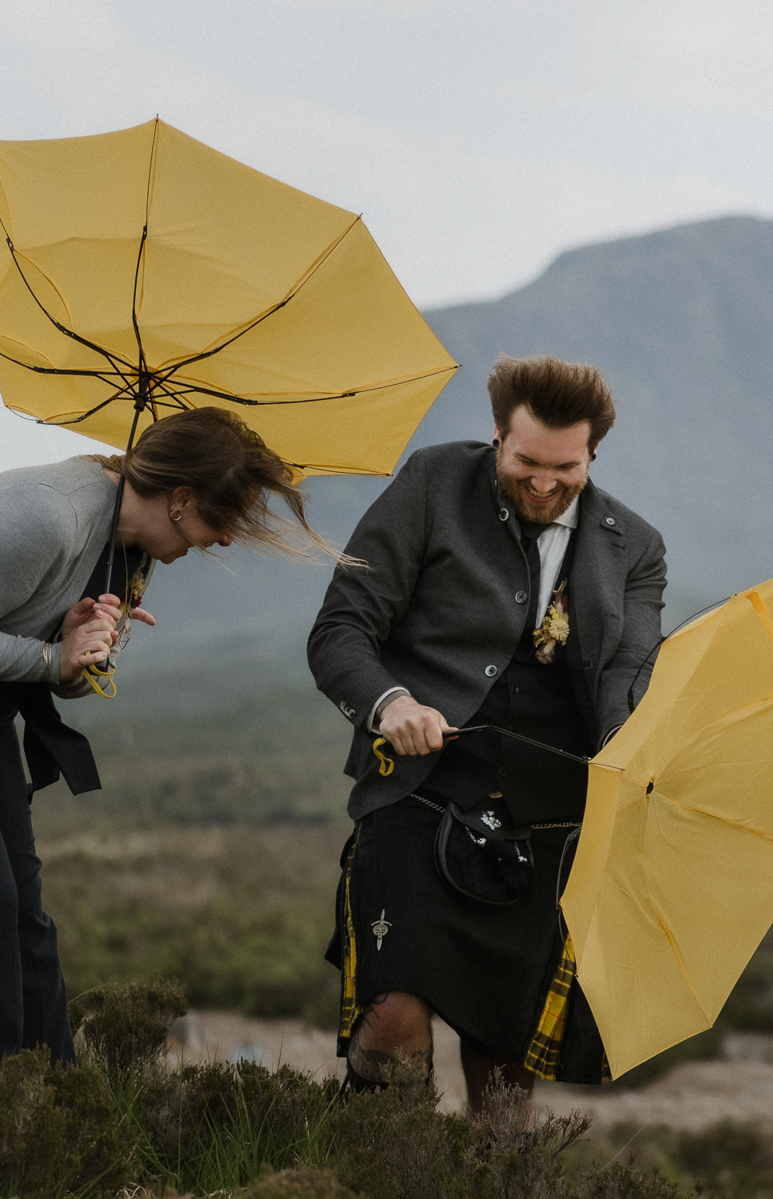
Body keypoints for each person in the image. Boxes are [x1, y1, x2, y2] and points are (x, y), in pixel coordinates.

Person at [309, 354, 666, 1111]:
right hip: (418, 793)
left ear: (593, 454)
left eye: (564, 468)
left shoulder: (635, 546)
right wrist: (391, 703)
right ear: (497, 437)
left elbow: (624, 676)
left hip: (548, 825)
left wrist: (630, 754)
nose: (543, 483)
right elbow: (341, 629)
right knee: (393, 1017)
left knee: (505, 1080)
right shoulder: (433, 484)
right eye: (526, 462)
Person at [0, 406, 323, 1058]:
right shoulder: (47, 515)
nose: (227, 540)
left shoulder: (123, 551)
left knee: (26, 919)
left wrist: (77, 651)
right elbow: (36, 660)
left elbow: (55, 670)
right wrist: (47, 659)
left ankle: (48, 1111)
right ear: (180, 499)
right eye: (223, 518)